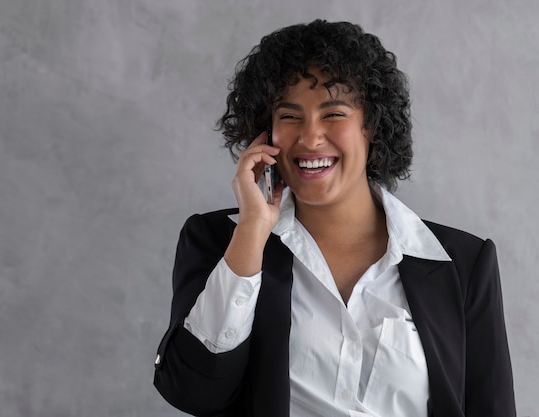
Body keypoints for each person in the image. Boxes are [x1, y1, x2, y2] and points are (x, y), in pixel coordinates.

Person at [153, 20, 515, 417]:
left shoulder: (462, 263)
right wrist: (252, 234)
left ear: (371, 126)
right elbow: (191, 392)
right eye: (289, 117)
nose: (310, 138)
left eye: (333, 114)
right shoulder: (219, 240)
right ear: (265, 134)